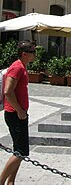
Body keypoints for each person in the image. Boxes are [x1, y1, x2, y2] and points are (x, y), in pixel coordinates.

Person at [0, 41, 36, 185]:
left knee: (18, 150)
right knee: (22, 151)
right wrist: (20, 110)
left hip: (19, 113)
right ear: (24, 54)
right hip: (15, 114)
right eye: (33, 52)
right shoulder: (17, 67)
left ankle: (11, 182)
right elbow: (8, 91)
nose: (35, 55)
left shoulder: (22, 67)